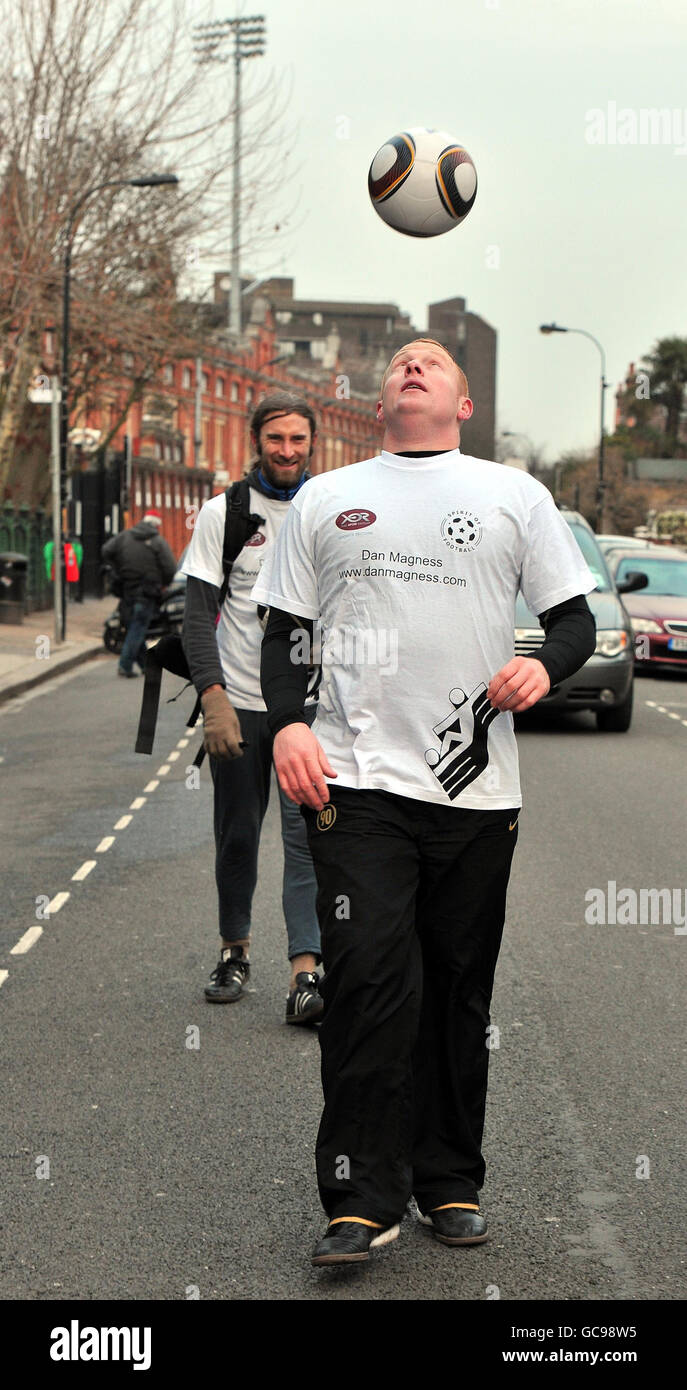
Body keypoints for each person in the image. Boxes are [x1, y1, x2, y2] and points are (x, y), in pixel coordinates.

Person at [253, 339, 597, 1266]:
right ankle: (359, 1198)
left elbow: (575, 618)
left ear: (462, 400)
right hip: (353, 780)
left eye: (432, 362)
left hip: (474, 789)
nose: (412, 365)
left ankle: (448, 1180)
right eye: (400, 360)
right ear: (381, 399)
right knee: (366, 976)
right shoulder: (326, 497)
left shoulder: (512, 494)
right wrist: (287, 725)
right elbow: (286, 628)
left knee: (454, 986)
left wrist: (543, 665)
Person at [181, 392, 323, 1027]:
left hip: (313, 709)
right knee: (237, 835)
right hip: (239, 704)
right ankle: (233, 951)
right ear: (256, 441)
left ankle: (306, 973)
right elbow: (195, 616)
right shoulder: (224, 514)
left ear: (311, 442)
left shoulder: (336, 508)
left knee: (307, 840)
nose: (287, 450)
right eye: (276, 439)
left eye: (298, 439)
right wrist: (212, 697)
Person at [102, 510, 176, 678]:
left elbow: (106, 550)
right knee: (138, 628)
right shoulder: (157, 542)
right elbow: (170, 568)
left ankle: (145, 665)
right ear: (156, 525)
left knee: (134, 627)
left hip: (127, 590)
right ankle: (125, 665)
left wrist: (118, 568)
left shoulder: (124, 537)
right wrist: (163, 583)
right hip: (148, 592)